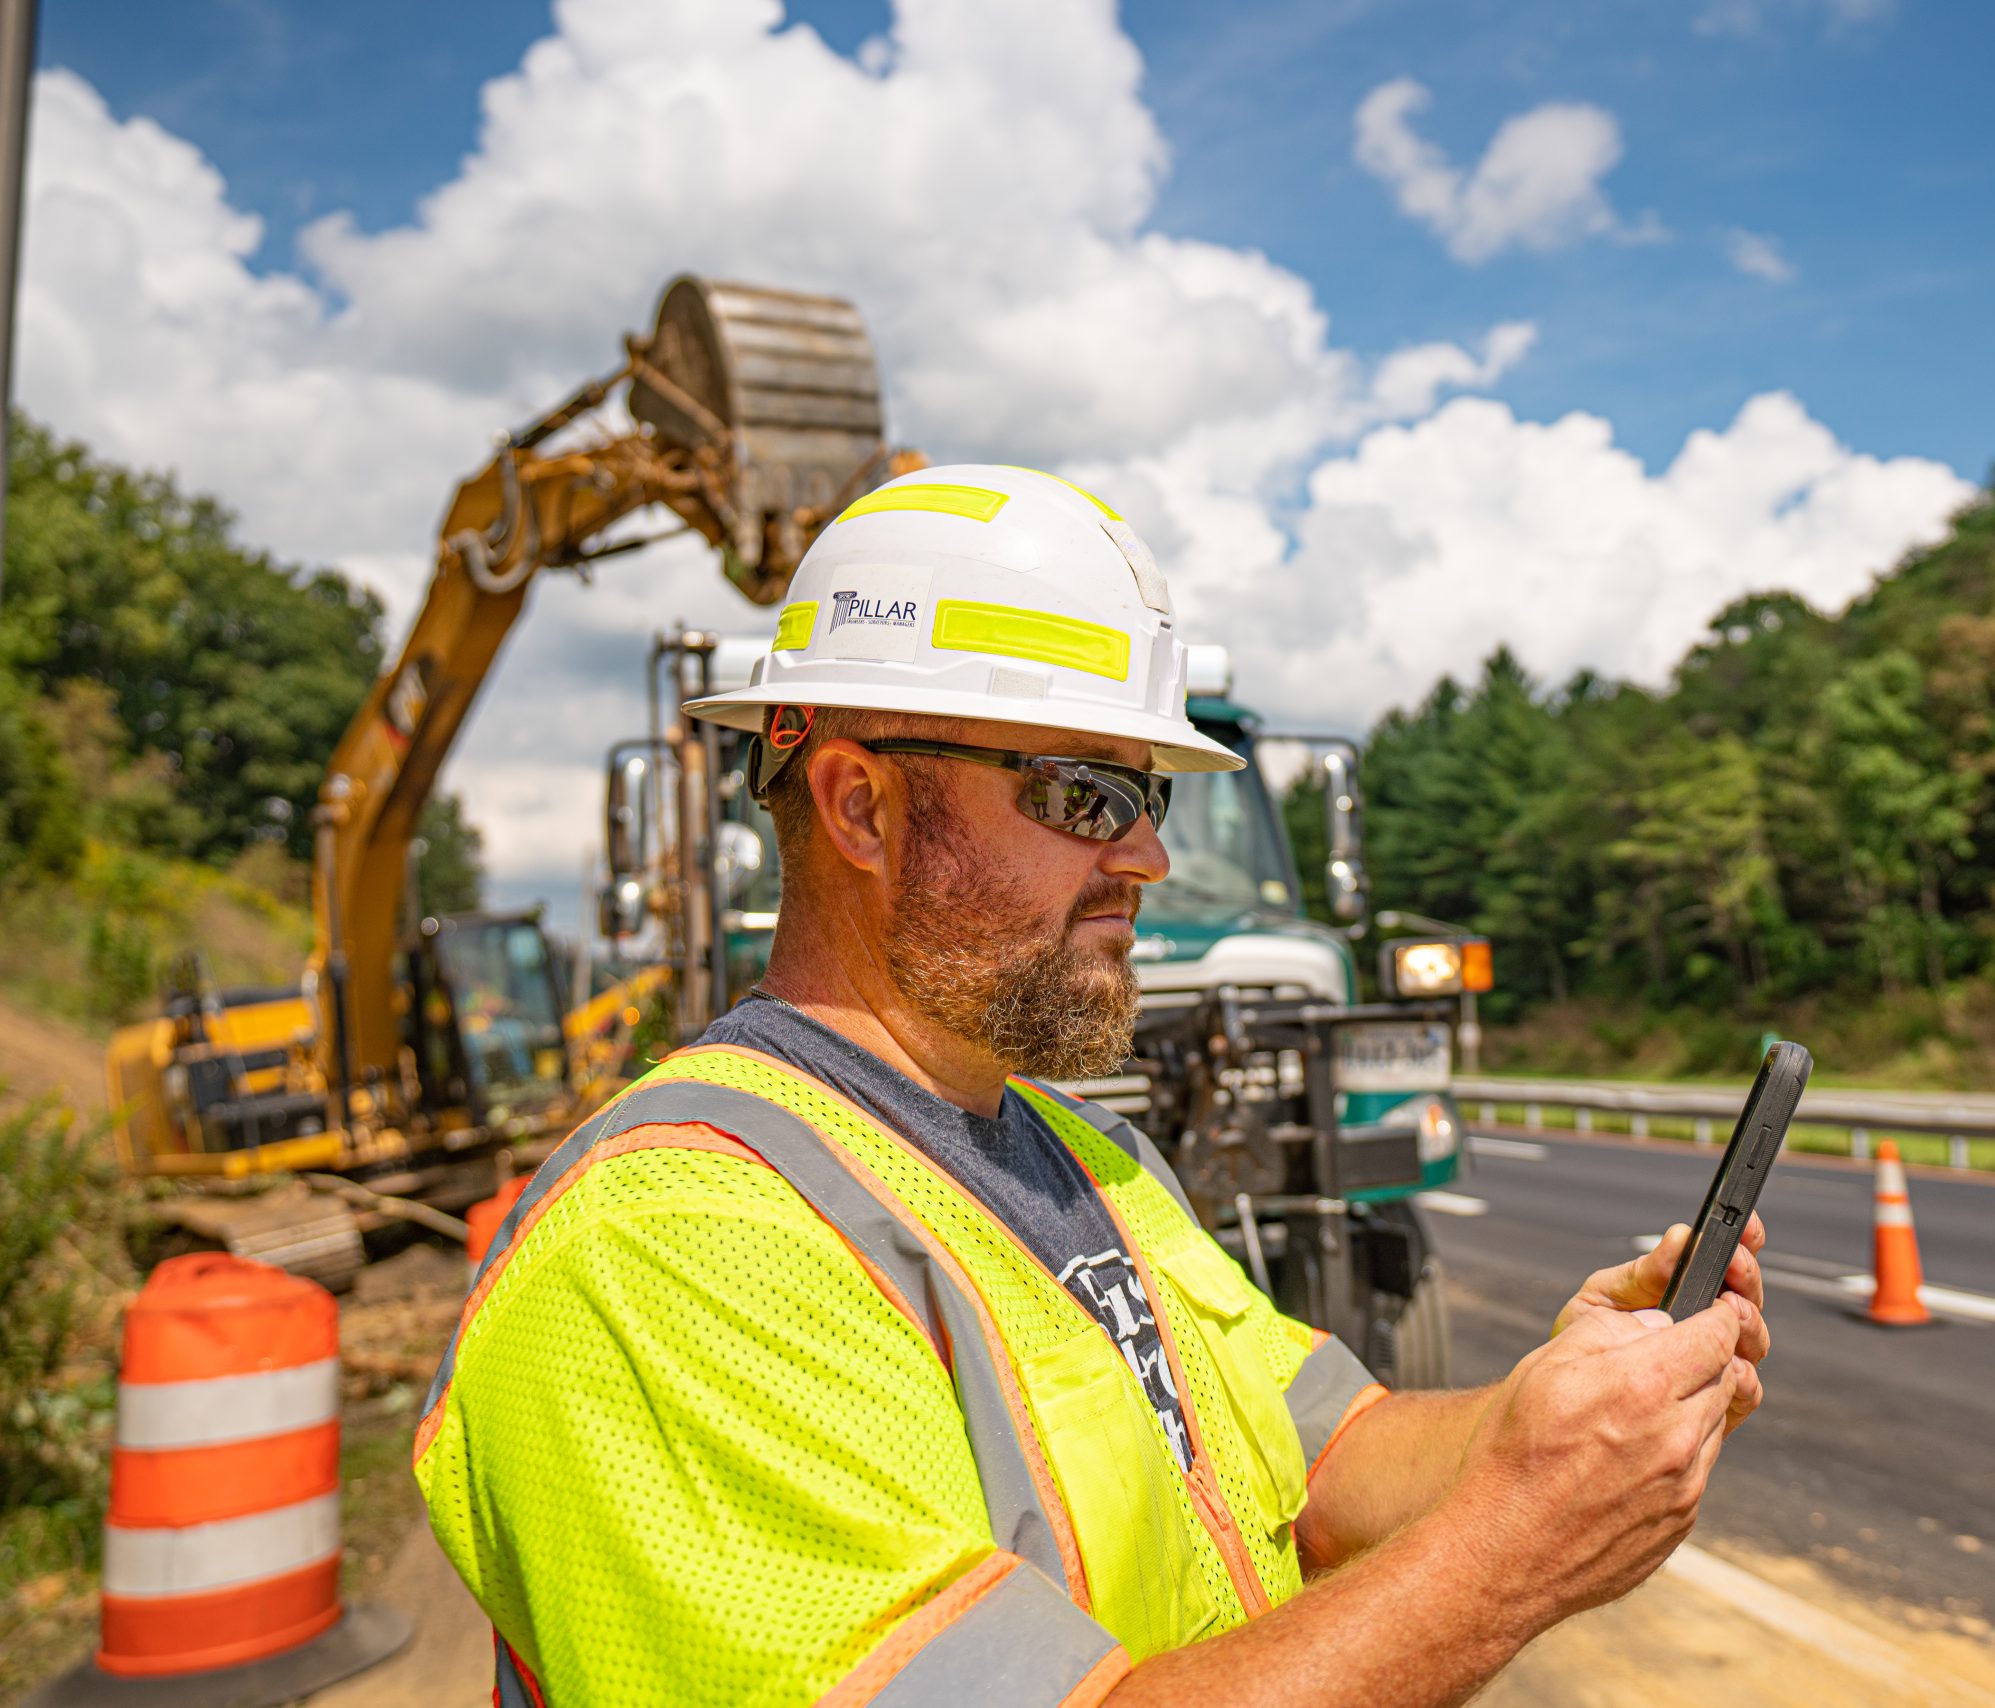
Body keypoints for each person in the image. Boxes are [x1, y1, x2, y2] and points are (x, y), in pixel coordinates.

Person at [415, 465, 1771, 1707]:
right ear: (859, 807)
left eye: (1148, 798)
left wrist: (1555, 1409)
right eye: (1083, 795)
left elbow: (1330, 1458)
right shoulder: (671, 1246)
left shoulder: (1084, 1157)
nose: (1145, 864)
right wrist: (1517, 1552)